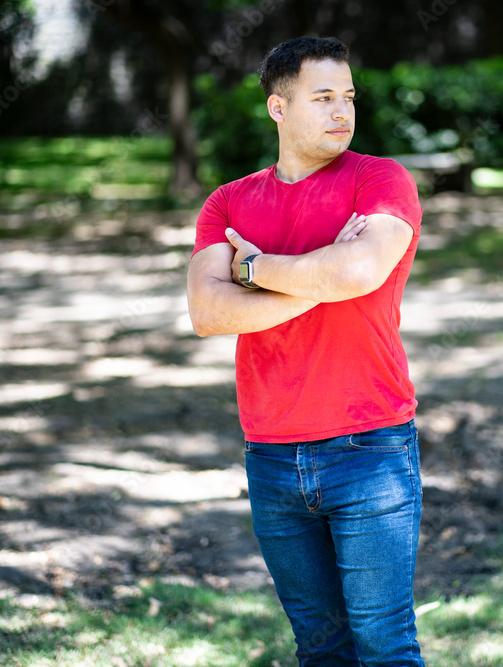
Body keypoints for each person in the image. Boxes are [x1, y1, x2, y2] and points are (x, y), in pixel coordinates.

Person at [186, 36, 425, 666]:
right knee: (319, 647)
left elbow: (362, 271)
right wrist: (317, 278)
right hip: (270, 454)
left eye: (348, 96)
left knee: (385, 642)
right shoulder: (230, 202)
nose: (342, 110)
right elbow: (207, 314)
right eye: (322, 97)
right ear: (278, 108)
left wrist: (255, 269)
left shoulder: (381, 179)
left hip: (369, 446)